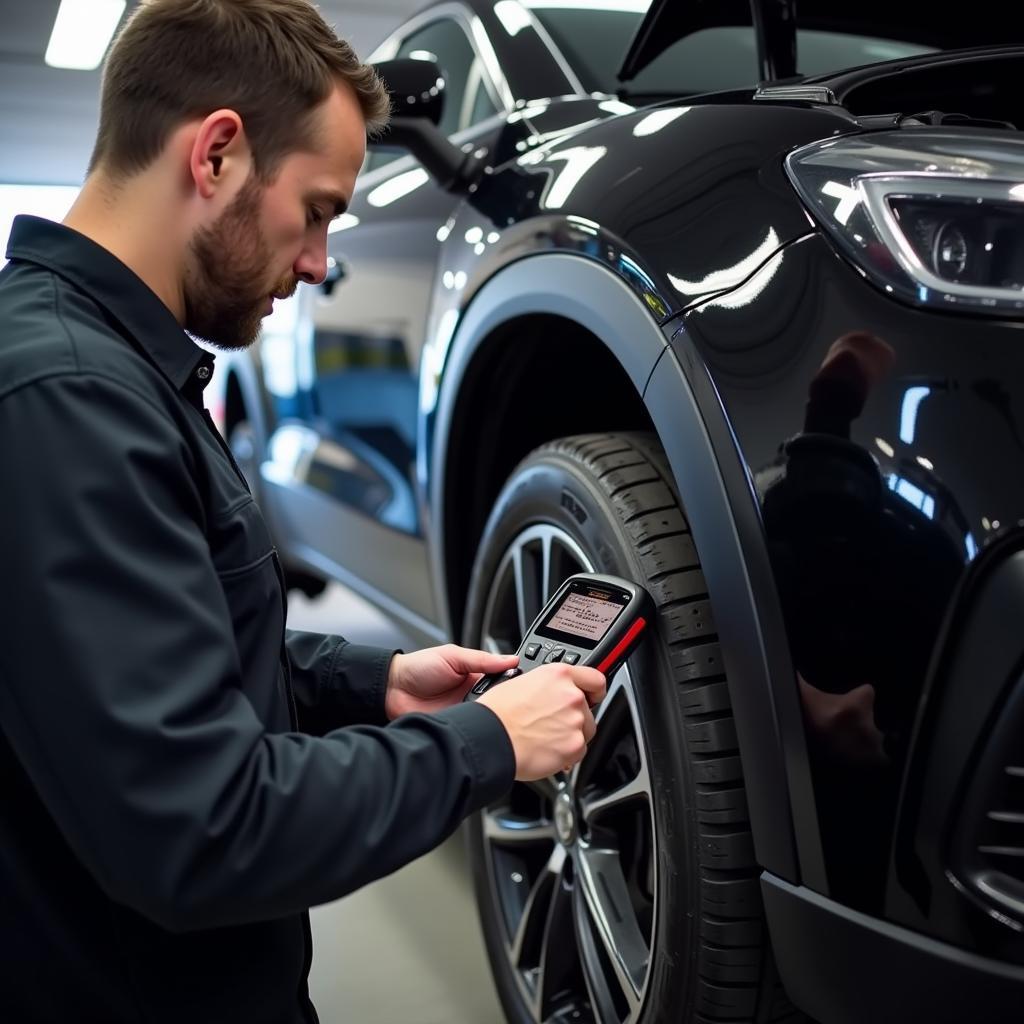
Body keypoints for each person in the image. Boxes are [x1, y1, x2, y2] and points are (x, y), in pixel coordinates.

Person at [0, 2, 606, 1021]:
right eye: (318, 210)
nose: (323, 262)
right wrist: (485, 743)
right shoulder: (69, 402)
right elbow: (204, 831)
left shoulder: (106, 373)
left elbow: (158, 663)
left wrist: (370, 684)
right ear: (219, 155)